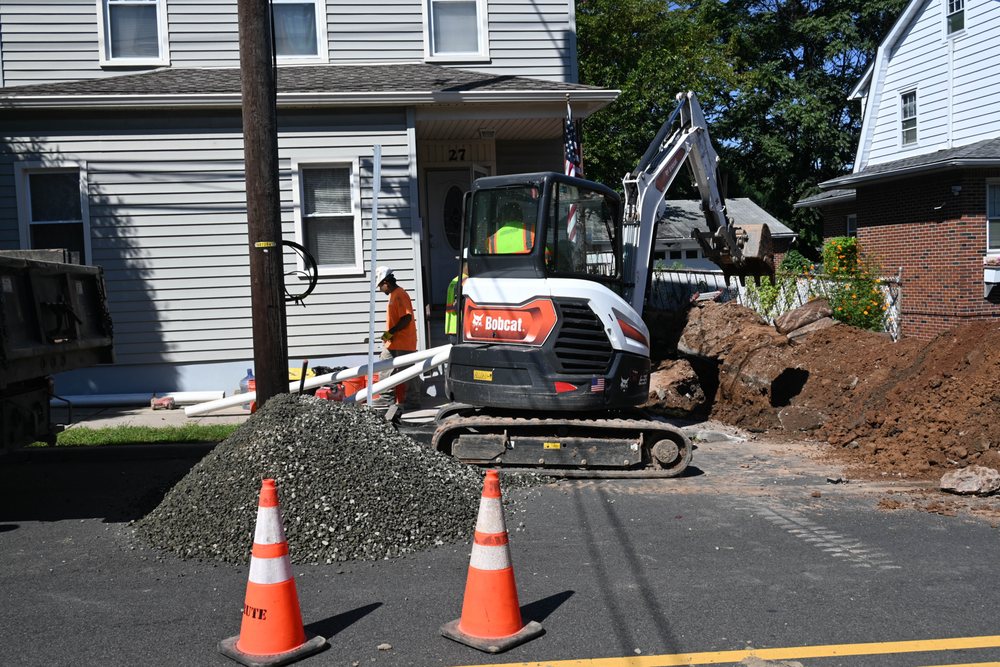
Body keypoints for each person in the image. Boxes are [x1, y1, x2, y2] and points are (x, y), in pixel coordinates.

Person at [375, 266, 419, 409]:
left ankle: (412, 401)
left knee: (408, 373)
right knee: (384, 367)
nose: (380, 289)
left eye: (380, 286)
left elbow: (406, 318)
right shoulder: (394, 295)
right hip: (394, 342)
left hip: (404, 342)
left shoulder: (400, 294)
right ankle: (386, 398)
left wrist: (390, 332)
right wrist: (388, 335)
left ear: (386, 282)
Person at [444, 261, 469, 341]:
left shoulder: (454, 280)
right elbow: (456, 305)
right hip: (460, 327)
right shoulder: (465, 281)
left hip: (451, 327)